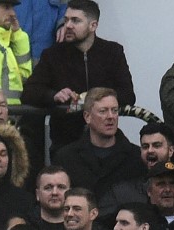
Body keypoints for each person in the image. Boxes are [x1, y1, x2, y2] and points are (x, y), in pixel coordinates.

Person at [20, 0, 135, 152]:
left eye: (75, 20)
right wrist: (53, 96)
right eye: (66, 19)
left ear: (93, 25)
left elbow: (128, 95)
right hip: (65, 145)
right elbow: (29, 92)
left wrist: (91, 99)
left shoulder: (112, 52)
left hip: (105, 143)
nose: (68, 25)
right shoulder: (53, 55)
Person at [52, 87, 146, 201]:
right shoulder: (66, 158)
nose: (111, 116)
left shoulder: (137, 157)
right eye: (103, 111)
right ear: (87, 117)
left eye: (114, 110)